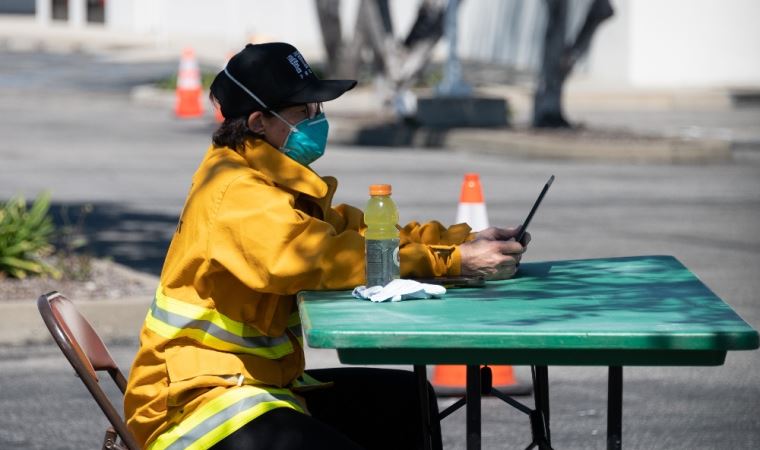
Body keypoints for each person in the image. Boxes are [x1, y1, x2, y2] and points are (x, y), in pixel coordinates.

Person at [124, 42, 529, 450]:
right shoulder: (237, 192)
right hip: (196, 403)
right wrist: (451, 262)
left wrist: (461, 240)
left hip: (252, 382)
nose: (317, 120)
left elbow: (366, 234)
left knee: (408, 400)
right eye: (304, 113)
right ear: (259, 122)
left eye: (318, 109)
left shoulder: (274, 179)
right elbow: (319, 259)